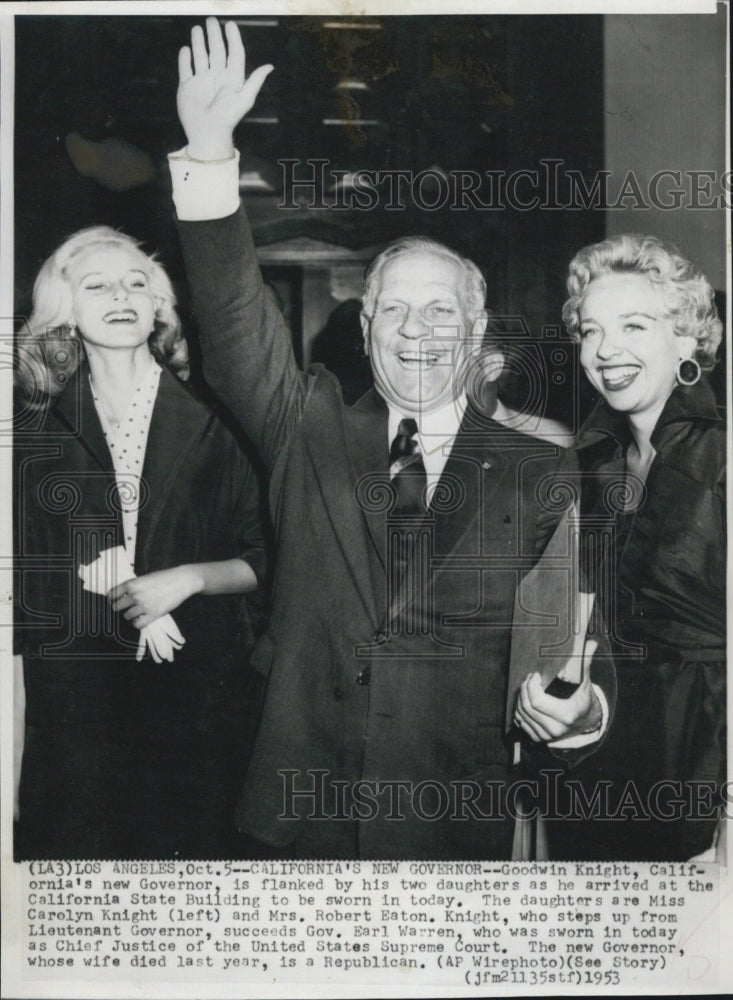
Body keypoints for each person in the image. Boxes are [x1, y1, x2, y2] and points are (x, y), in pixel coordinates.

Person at [168, 19, 614, 860]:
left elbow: (577, 648)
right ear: (365, 322)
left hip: (456, 819)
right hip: (304, 815)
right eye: (396, 309)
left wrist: (578, 709)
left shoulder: (544, 469)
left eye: (441, 309)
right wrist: (208, 153)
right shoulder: (309, 421)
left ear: (477, 326)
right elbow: (232, 326)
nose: (417, 331)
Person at [14, 224, 267, 860]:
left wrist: (188, 578)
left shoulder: (222, 414)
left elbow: (272, 558)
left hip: (199, 694)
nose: (122, 295)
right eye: (96, 285)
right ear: (64, 311)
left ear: (159, 304)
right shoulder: (30, 425)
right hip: (75, 697)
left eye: (138, 282)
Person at [546, 233, 726, 861]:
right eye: (590, 331)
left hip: (709, 765)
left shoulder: (722, 455)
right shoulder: (597, 463)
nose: (607, 349)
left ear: (687, 338)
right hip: (611, 760)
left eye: (633, 325)